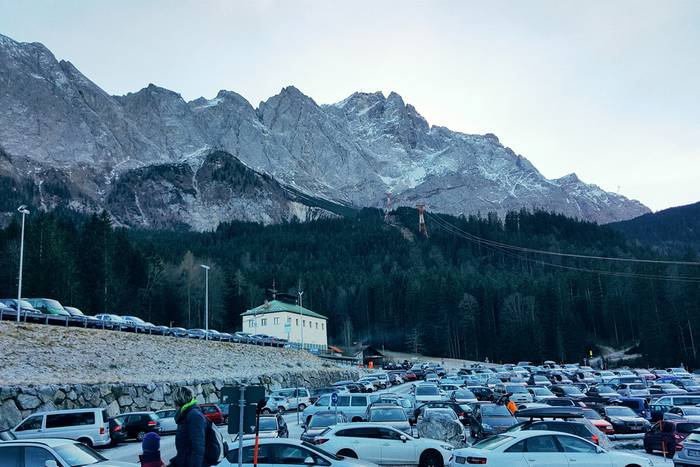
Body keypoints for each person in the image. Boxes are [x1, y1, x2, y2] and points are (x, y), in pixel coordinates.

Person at [170, 386, 208, 467]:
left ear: (178, 401)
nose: (173, 405)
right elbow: (185, 451)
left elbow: (198, 449)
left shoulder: (194, 416)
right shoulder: (185, 416)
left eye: (174, 402)